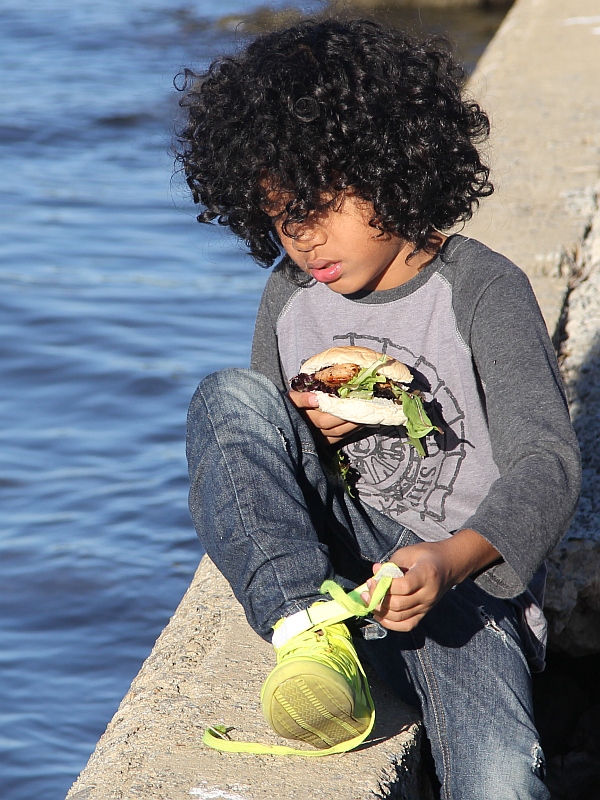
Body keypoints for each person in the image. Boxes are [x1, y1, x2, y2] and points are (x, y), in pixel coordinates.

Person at [175, 17, 580, 799]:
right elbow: (266, 458)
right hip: (334, 585)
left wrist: (449, 558)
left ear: (395, 167)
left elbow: (547, 464)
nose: (302, 238)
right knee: (227, 396)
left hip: (464, 594)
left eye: (321, 204)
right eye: (280, 215)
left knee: (500, 779)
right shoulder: (291, 300)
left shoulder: (483, 290)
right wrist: (310, 428)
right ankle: (300, 631)